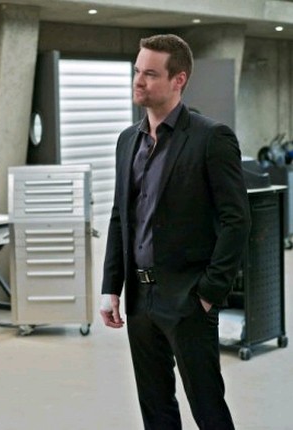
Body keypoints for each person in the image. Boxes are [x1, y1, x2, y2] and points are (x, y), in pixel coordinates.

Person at [99, 34, 251, 430]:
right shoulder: (127, 141)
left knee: (207, 409)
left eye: (150, 74)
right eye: (137, 71)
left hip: (188, 299)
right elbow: (120, 216)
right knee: (156, 410)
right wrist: (111, 286)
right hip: (140, 299)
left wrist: (209, 293)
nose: (139, 81)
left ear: (178, 79)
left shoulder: (210, 137)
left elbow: (237, 220)